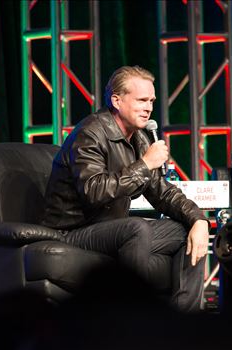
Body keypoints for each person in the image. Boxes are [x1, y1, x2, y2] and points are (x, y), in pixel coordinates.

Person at [41, 65, 210, 312]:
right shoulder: (90, 133)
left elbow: (162, 192)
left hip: (112, 229)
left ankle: (184, 323)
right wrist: (145, 164)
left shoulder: (139, 138)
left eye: (151, 100)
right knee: (136, 227)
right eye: (141, 100)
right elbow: (94, 191)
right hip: (74, 231)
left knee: (188, 231)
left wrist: (198, 219)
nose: (149, 107)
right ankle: (131, 321)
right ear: (116, 101)